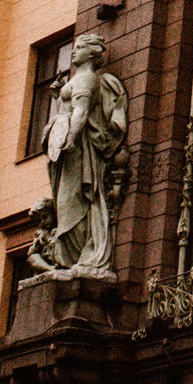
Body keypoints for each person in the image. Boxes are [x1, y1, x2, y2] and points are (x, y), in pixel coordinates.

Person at [39, 33, 127, 278]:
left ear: (93, 53)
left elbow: (81, 112)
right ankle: (69, 257)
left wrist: (70, 139)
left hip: (78, 149)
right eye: (74, 47)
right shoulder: (78, 79)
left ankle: (79, 254)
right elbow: (69, 109)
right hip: (69, 150)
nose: (74, 51)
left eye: (80, 48)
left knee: (72, 199)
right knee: (64, 200)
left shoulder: (87, 79)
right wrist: (59, 95)